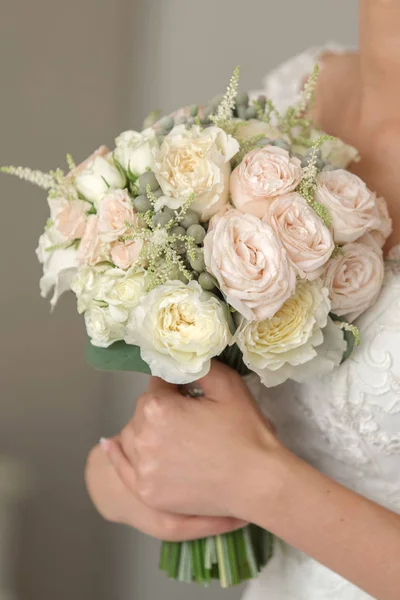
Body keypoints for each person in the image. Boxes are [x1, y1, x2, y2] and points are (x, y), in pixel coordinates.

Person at [85, 1, 400, 598]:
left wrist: (258, 483)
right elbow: (193, 409)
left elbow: (241, 466)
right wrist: (129, 474)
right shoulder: (292, 98)